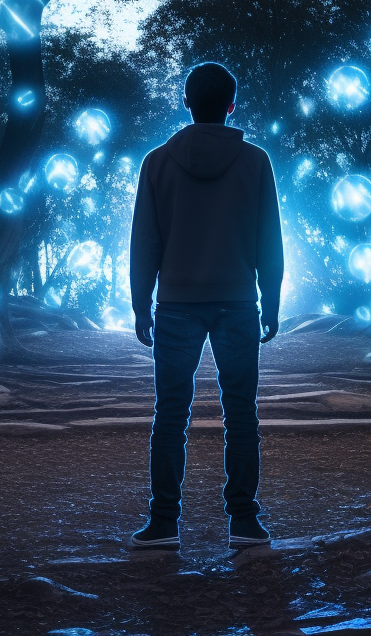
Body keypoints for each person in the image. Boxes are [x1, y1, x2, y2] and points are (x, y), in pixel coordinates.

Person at [126, 62, 284, 550]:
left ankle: (163, 523)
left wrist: (141, 304)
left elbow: (144, 241)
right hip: (238, 302)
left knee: (170, 415)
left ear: (186, 103)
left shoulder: (156, 162)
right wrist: (271, 302)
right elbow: (269, 241)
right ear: (232, 105)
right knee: (241, 414)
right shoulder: (256, 162)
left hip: (176, 304)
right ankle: (245, 522)